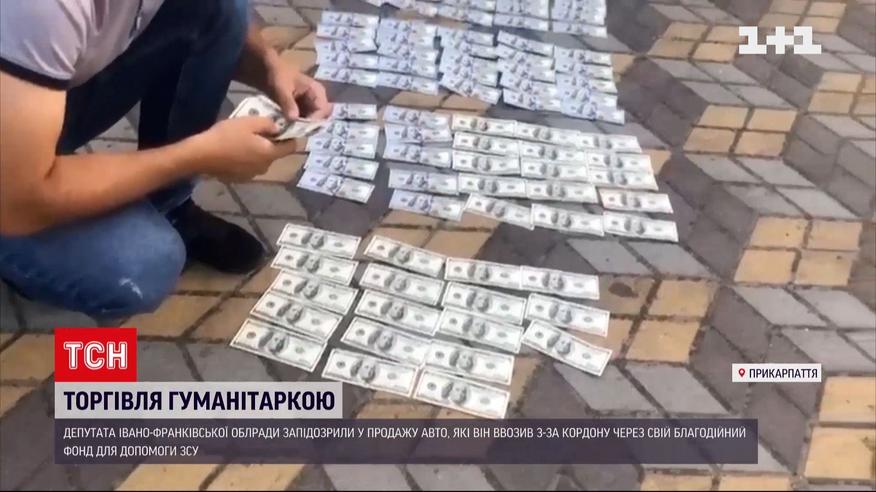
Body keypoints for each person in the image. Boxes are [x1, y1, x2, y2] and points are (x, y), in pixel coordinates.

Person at [0, 0, 332, 318]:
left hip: (29, 93)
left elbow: (220, 19)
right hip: (12, 191)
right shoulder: (41, 9)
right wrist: (196, 155)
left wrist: (268, 67)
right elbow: (20, 200)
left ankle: (168, 206)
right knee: (141, 265)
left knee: (222, 6)